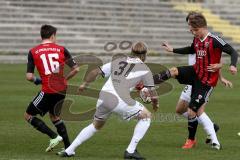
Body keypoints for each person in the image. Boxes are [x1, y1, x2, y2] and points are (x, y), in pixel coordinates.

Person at [57, 41, 159, 159]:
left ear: (131, 51)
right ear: (144, 55)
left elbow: (95, 71)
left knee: (96, 125)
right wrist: (156, 104)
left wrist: (84, 84)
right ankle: (130, 151)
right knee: (146, 116)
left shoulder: (118, 61)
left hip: (103, 98)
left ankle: (69, 150)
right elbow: (153, 94)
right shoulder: (144, 68)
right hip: (119, 100)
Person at [154, 11, 238, 150]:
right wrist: (172, 50)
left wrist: (232, 65)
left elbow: (233, 52)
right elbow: (191, 49)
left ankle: (196, 140)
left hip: (206, 81)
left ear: (200, 28)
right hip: (195, 72)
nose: (191, 32)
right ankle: (147, 85)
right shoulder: (197, 39)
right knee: (173, 72)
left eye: (193, 30)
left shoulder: (214, 40)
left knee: (194, 111)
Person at [24, 24, 79, 152]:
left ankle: (54, 136)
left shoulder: (33, 51)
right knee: (55, 117)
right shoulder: (61, 49)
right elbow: (76, 69)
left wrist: (38, 80)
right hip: (61, 89)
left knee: (28, 115)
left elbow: (29, 76)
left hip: (48, 90)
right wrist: (64, 79)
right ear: (52, 36)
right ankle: (69, 149)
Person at [176, 54, 233, 146]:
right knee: (180, 110)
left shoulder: (207, 43)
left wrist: (221, 77)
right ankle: (212, 126)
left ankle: (199, 139)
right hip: (191, 79)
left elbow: (216, 61)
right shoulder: (195, 43)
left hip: (201, 82)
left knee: (197, 111)